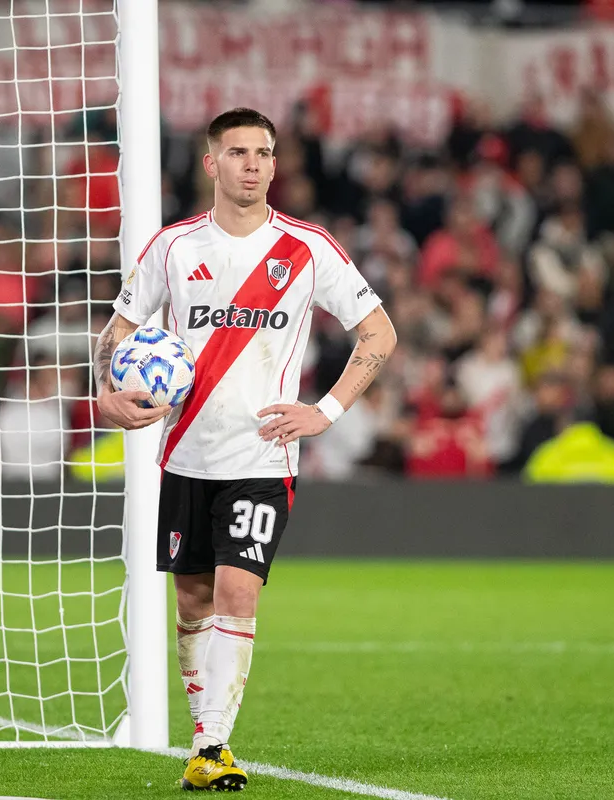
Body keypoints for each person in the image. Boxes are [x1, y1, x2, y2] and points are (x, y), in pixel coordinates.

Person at [91, 108, 395, 791]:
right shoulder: (173, 248)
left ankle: (212, 746)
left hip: (262, 457)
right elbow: (116, 333)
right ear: (212, 164)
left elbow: (379, 333)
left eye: (263, 152)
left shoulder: (307, 248)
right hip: (185, 456)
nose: (253, 163)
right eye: (238, 152)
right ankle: (206, 742)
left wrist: (326, 411)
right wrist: (105, 394)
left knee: (237, 592)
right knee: (193, 602)